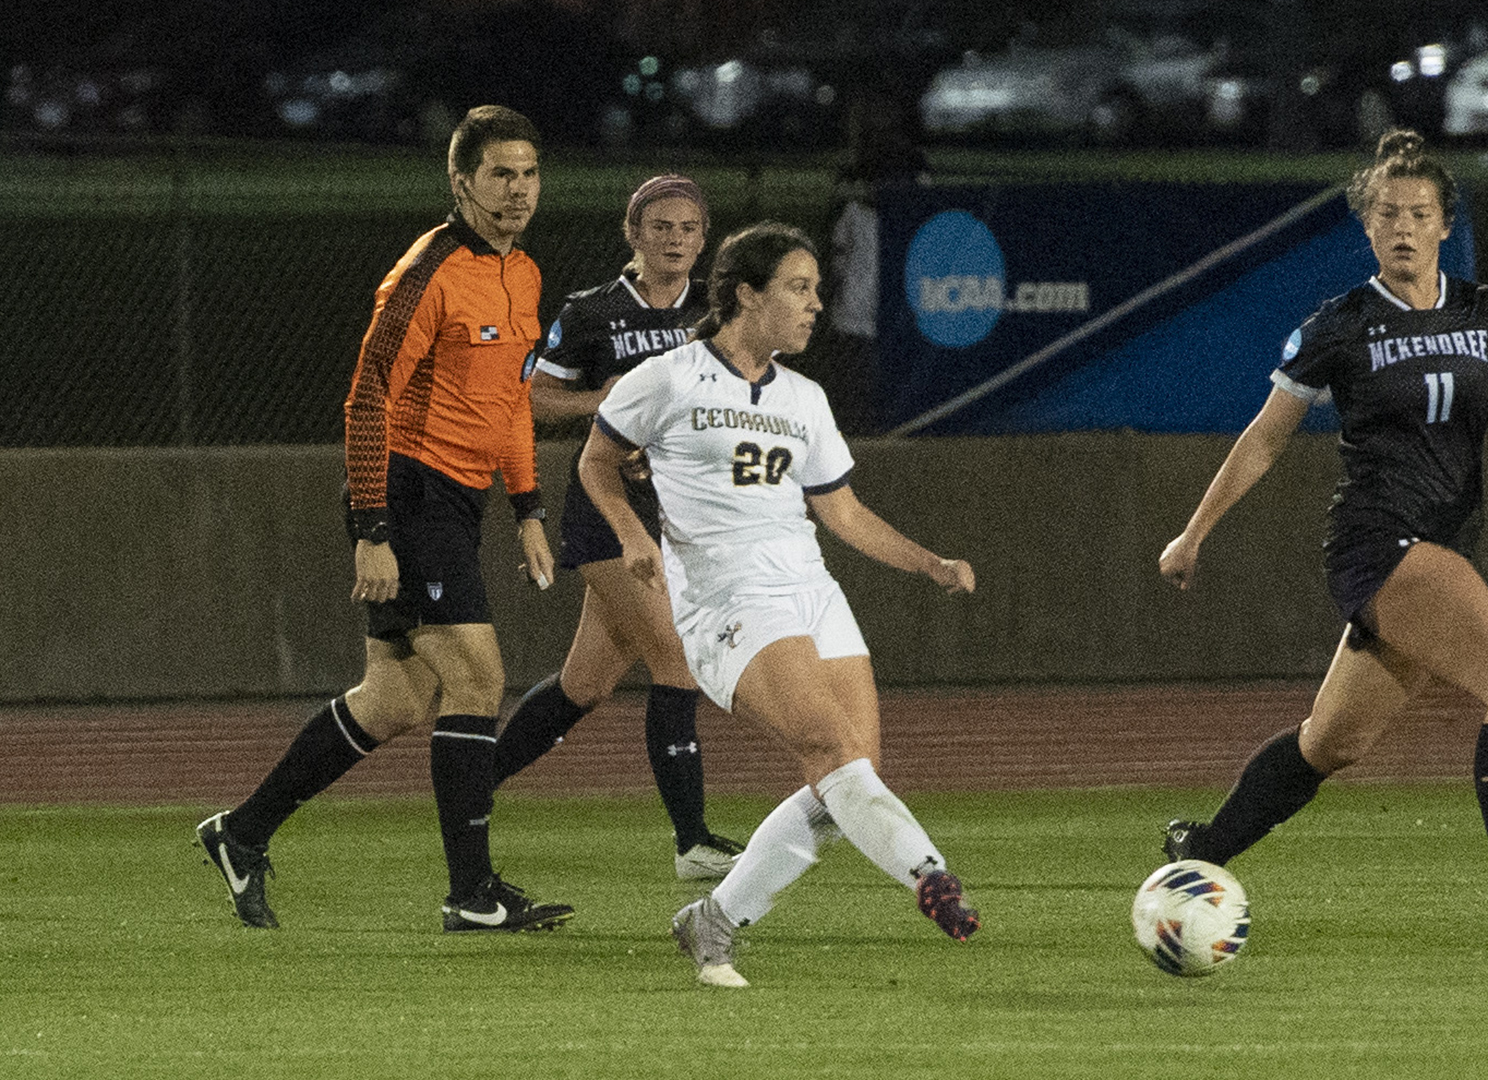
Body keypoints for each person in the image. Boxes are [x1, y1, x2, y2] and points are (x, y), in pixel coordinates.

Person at [1156, 130, 1488, 946]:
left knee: (1331, 743)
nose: (1404, 227)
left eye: (1420, 213)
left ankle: (1202, 850)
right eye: (1388, 213)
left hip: (1443, 544)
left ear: (1444, 226)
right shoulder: (1340, 325)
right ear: (1367, 227)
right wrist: (1193, 533)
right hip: (1378, 542)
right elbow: (1264, 439)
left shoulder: (1487, 313)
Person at [195, 105, 572, 933]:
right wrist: (371, 527)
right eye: (500, 174)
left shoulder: (523, 273)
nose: (518, 190)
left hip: (458, 500)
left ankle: (241, 832)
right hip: (407, 493)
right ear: (461, 182)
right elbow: (367, 398)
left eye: (529, 173)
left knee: (396, 698)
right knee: (477, 677)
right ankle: (471, 893)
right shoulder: (426, 272)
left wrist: (527, 508)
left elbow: (510, 400)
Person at [580, 222, 980, 987]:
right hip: (728, 596)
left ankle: (714, 920)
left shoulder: (804, 397)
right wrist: (632, 535)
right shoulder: (668, 378)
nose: (815, 305)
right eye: (799, 288)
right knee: (831, 752)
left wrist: (928, 563)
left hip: (811, 589)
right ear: (745, 294)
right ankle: (930, 876)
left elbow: (844, 513)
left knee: (848, 776)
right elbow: (597, 462)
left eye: (816, 291)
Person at [490, 173, 744, 880]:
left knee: (586, 684)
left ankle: (470, 786)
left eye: (688, 229)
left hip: (682, 514)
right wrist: (604, 405)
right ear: (633, 234)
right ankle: (692, 842)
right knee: (678, 661)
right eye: (660, 227)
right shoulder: (592, 310)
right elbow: (534, 399)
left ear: (704, 238)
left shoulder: (718, 312)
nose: (675, 240)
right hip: (607, 511)